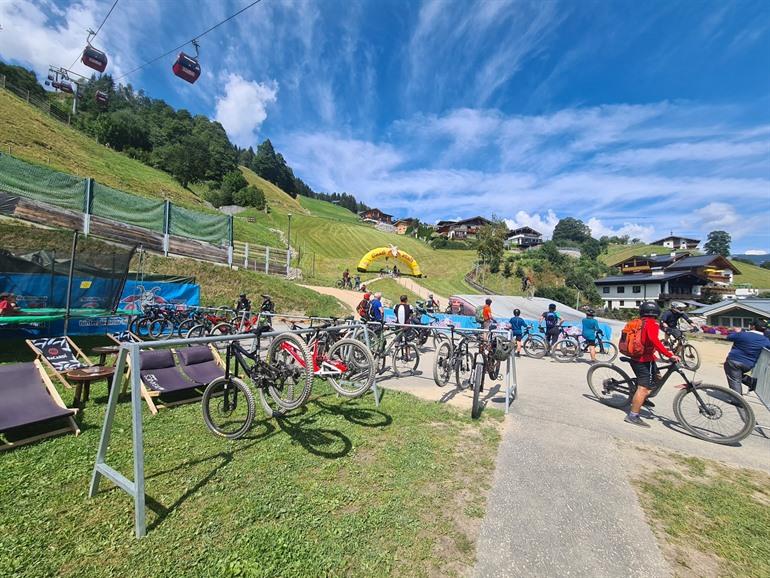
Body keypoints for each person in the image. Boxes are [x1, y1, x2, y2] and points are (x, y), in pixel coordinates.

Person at [624, 301, 680, 428]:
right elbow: (655, 341)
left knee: (657, 378)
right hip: (642, 360)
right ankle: (632, 416)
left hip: (645, 357)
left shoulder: (640, 322)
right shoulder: (651, 324)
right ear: (656, 313)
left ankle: (642, 398)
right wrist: (670, 355)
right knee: (643, 388)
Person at [723, 319, 770, 395]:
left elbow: (728, 337)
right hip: (749, 365)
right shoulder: (765, 340)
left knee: (734, 379)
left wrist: (737, 332)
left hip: (734, 361)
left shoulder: (742, 334)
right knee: (735, 375)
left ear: (753, 326)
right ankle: (751, 382)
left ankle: (737, 400)